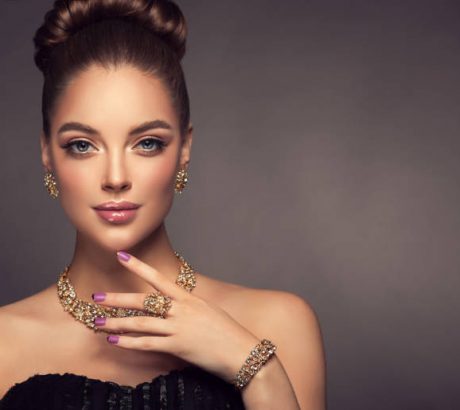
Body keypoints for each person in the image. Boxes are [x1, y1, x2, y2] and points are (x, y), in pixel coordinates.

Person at [0, 0, 326, 409]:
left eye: (147, 143)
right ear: (47, 153)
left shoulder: (277, 324)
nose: (116, 177)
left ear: (184, 149)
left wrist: (256, 368)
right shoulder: (4, 344)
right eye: (82, 145)